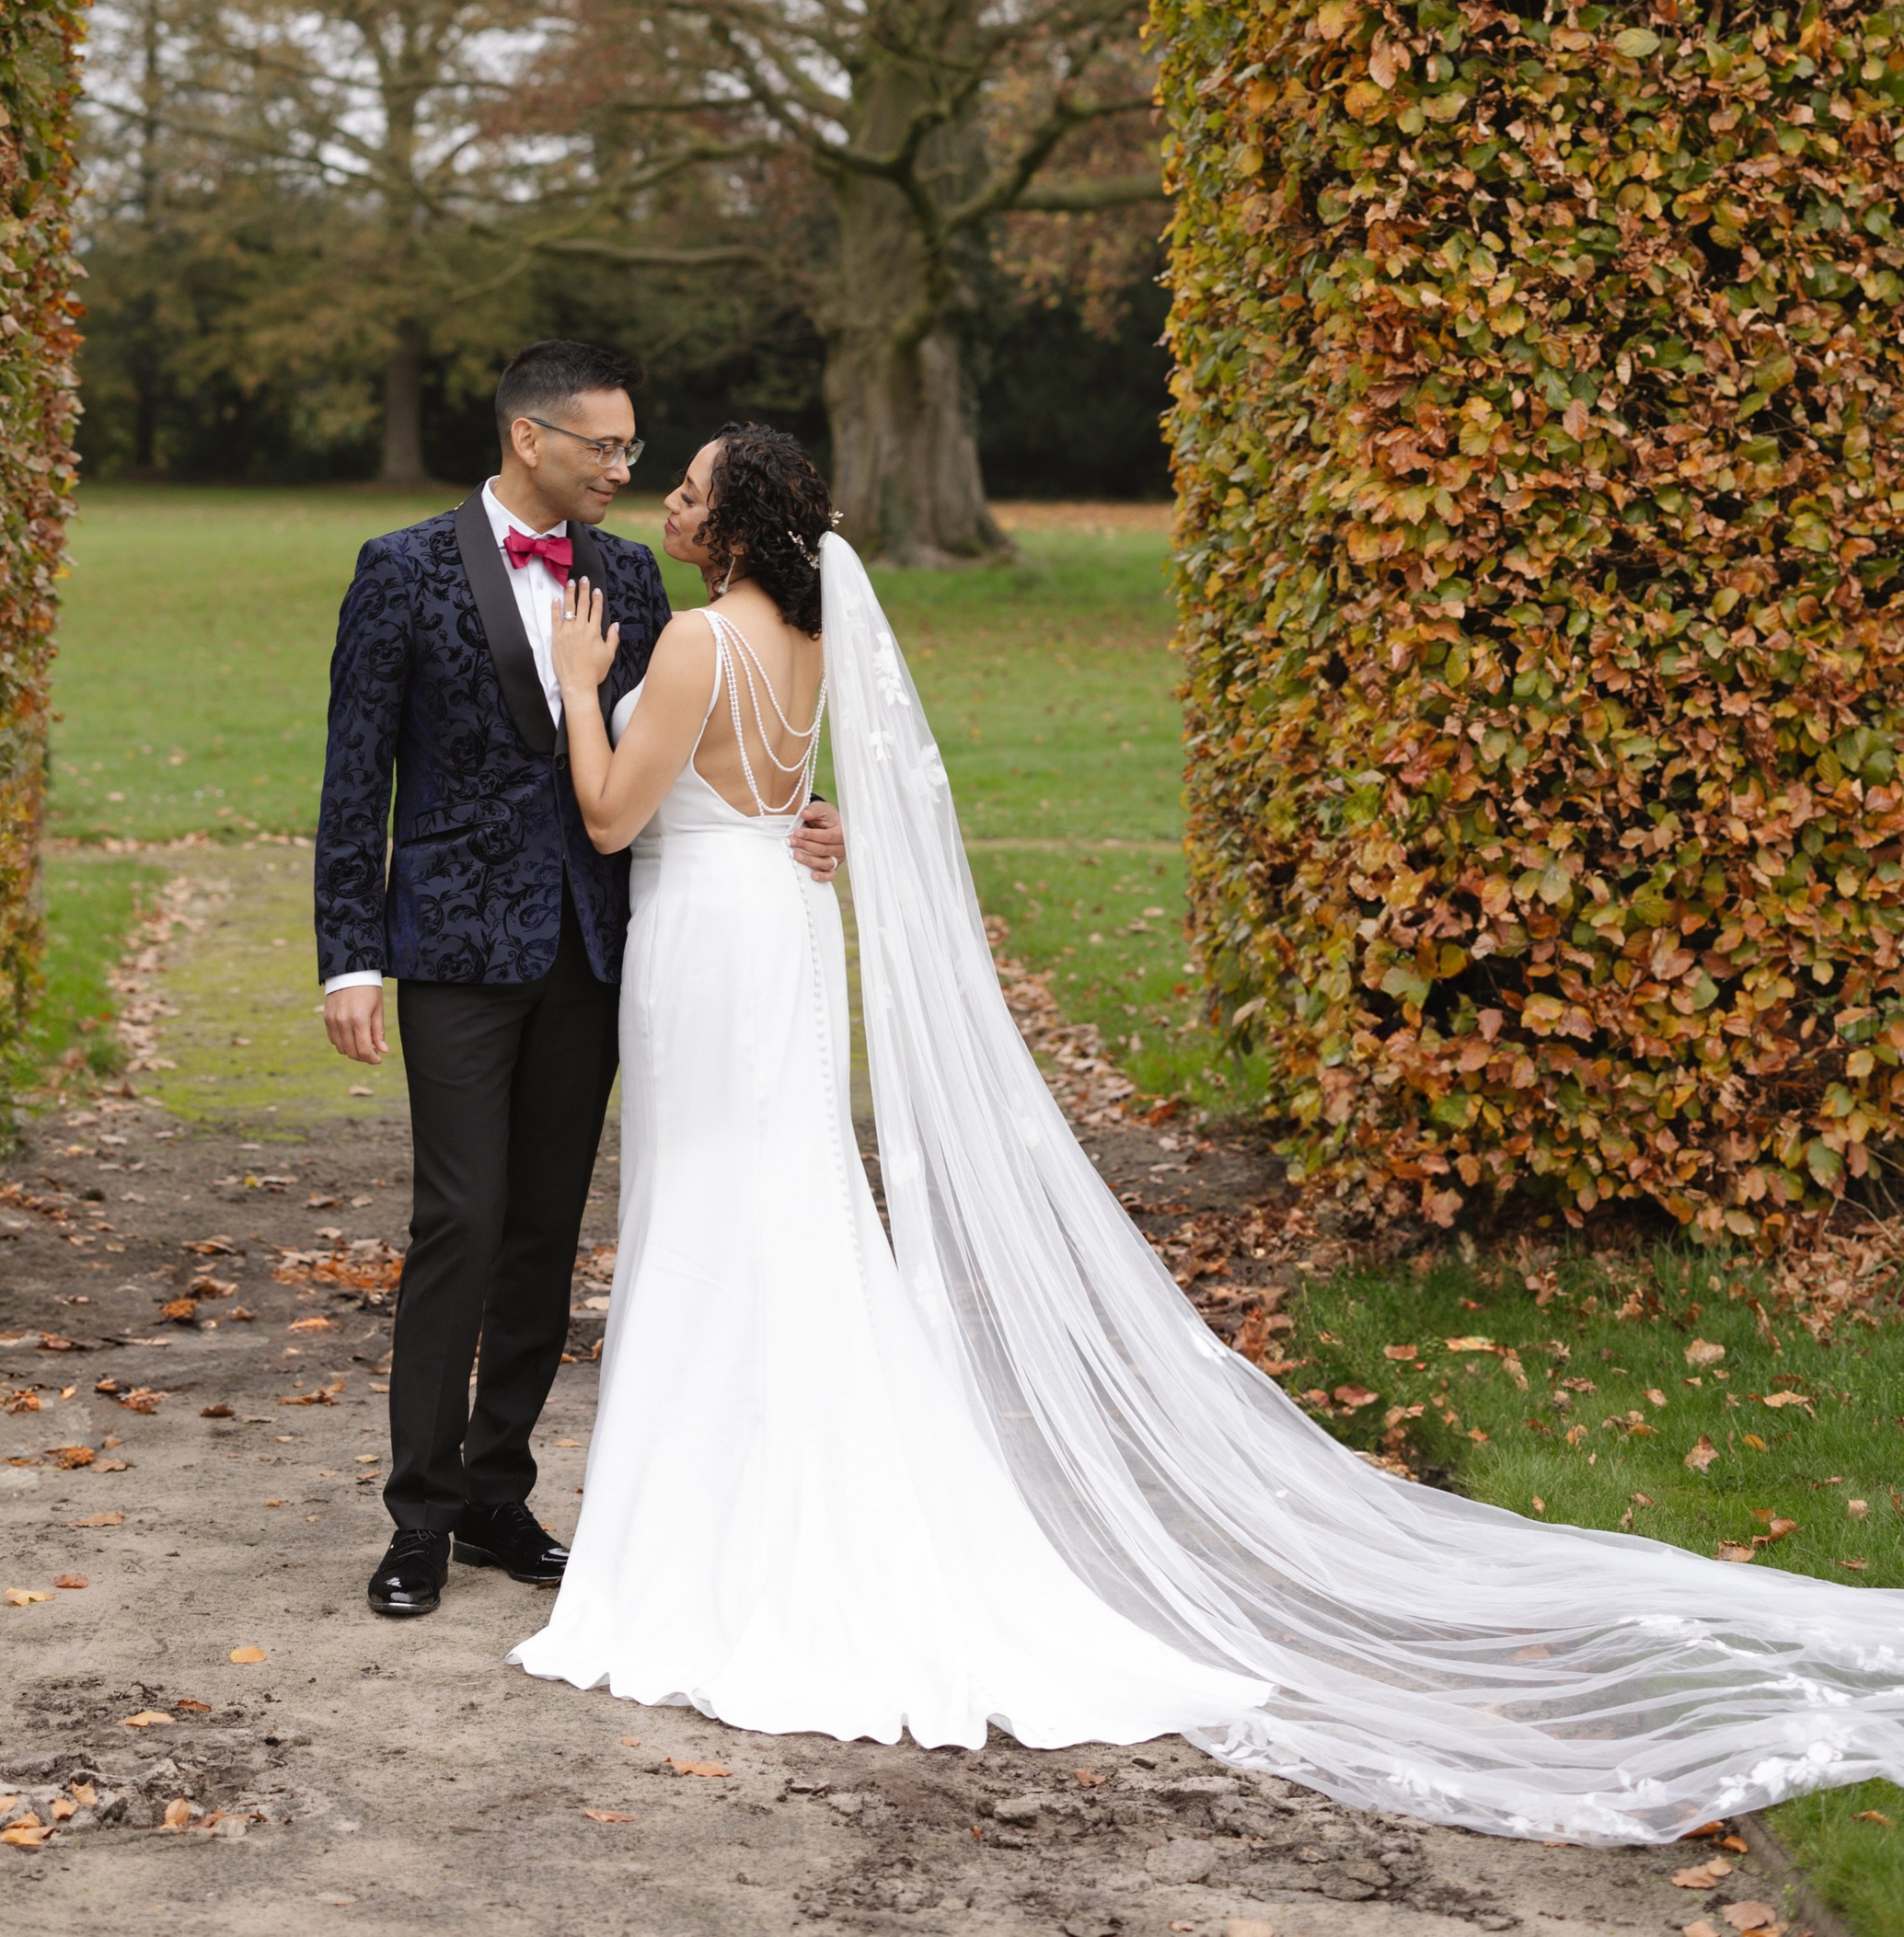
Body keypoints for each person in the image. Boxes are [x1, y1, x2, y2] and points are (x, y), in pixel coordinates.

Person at [515, 429, 1904, 1838]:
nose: (671, 505)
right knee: (789, 1206)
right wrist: (804, 825)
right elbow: (788, 802)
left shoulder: (692, 642)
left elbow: (618, 814)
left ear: (734, 526)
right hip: (787, 932)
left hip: (710, 942)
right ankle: (796, 1500)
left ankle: (711, 1538)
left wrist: (580, 688)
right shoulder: (812, 639)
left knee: (718, 1209)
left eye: (689, 490)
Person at [315, 344, 844, 1621]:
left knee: (548, 1232)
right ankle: (419, 1518)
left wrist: (799, 816)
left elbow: (691, 747)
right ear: (527, 440)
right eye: (604, 447)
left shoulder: (632, 577)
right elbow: (353, 777)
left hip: (601, 952)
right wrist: (350, 954)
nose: (625, 467)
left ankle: (500, 1491)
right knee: (462, 1220)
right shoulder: (399, 569)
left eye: (633, 447)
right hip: (449, 949)